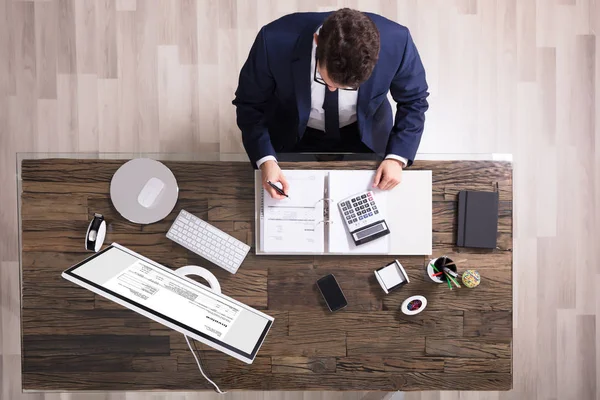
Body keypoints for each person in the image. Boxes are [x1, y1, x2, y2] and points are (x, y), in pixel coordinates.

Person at [233, 8, 428, 199]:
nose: (333, 90)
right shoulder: (273, 40)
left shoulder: (397, 41)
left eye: (349, 87)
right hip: (292, 130)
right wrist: (265, 160)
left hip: (366, 134)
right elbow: (249, 103)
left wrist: (396, 157)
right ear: (317, 42)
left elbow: (414, 101)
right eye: (325, 81)